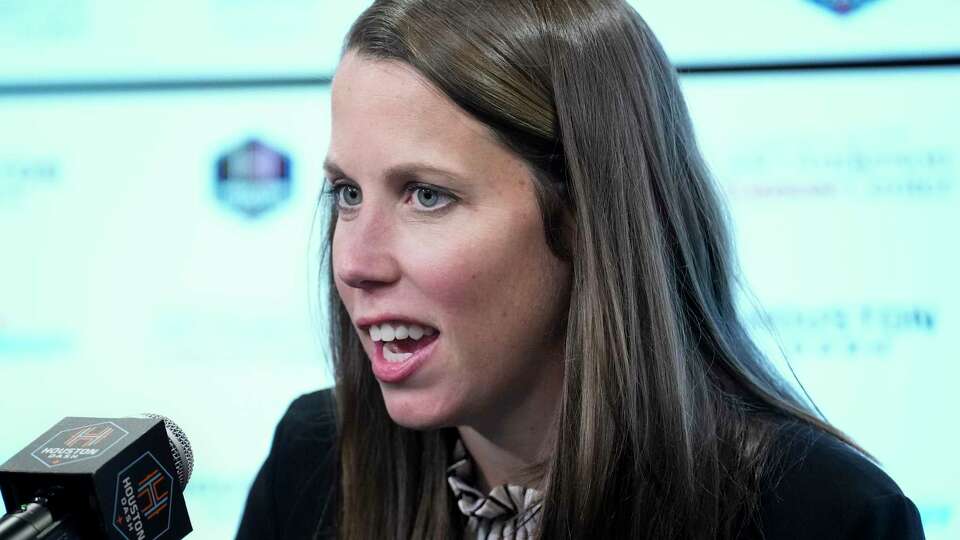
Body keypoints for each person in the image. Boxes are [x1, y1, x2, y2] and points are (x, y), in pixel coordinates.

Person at [237, 1, 925, 538]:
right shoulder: (315, 460)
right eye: (347, 193)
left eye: (427, 195)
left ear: (585, 215)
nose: (355, 262)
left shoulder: (826, 517)